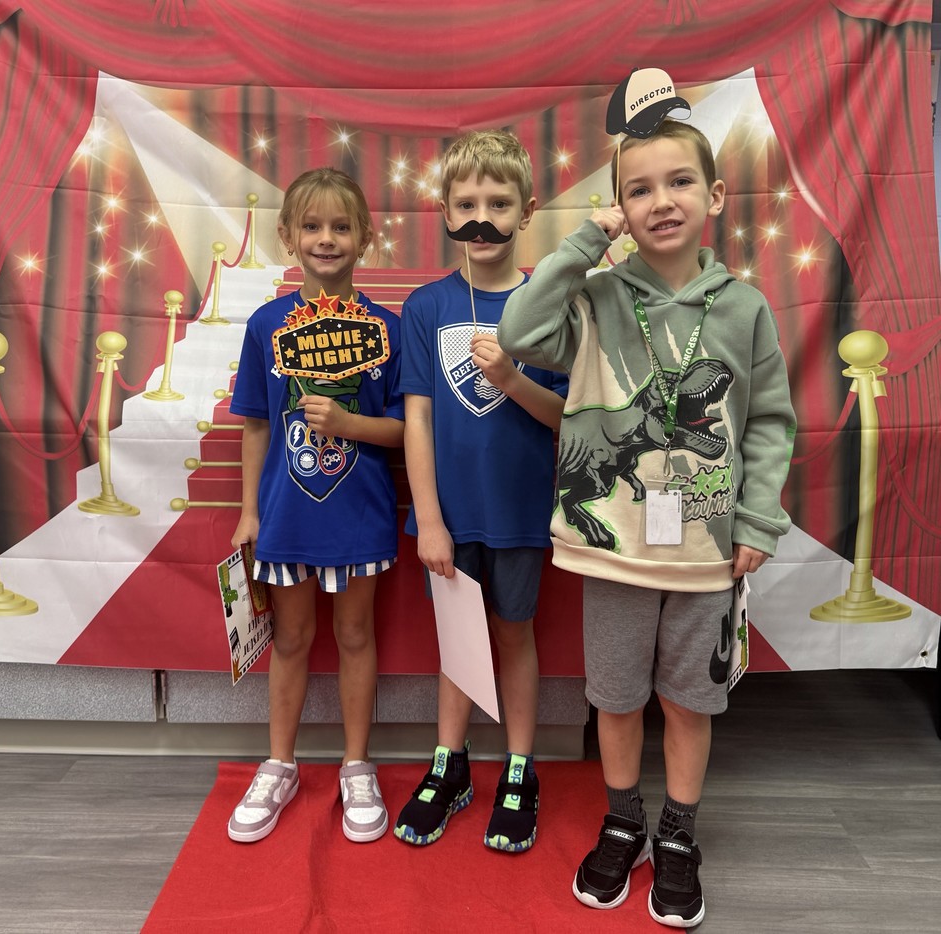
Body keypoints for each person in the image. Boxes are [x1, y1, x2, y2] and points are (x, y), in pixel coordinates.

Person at [498, 119, 795, 926]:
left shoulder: (745, 309)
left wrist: (758, 522)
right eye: (638, 188)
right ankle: (624, 818)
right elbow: (519, 334)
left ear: (715, 195)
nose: (661, 200)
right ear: (619, 206)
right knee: (618, 700)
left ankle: (678, 835)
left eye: (679, 182)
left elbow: (768, 419)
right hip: (619, 554)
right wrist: (579, 250)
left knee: (689, 705)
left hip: (705, 551)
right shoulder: (595, 296)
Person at [394, 130, 567, 854]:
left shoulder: (548, 305)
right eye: (467, 202)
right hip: (451, 515)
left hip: (523, 511)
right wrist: (428, 519)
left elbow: (567, 417)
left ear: (526, 210)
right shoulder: (426, 307)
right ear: (444, 210)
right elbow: (418, 418)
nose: (482, 217)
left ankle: (520, 767)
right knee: (457, 641)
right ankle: (450, 762)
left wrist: (509, 378)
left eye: (499, 203)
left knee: (513, 634)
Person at [226, 167, 404, 845]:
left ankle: (357, 763)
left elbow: (407, 431)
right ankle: (280, 762)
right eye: (312, 225)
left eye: (340, 226)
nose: (325, 239)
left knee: (356, 635)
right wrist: (249, 511)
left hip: (360, 514)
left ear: (364, 237)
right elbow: (255, 424)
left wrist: (350, 423)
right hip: (285, 516)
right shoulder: (266, 324)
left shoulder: (386, 328)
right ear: (287, 237)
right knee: (292, 639)